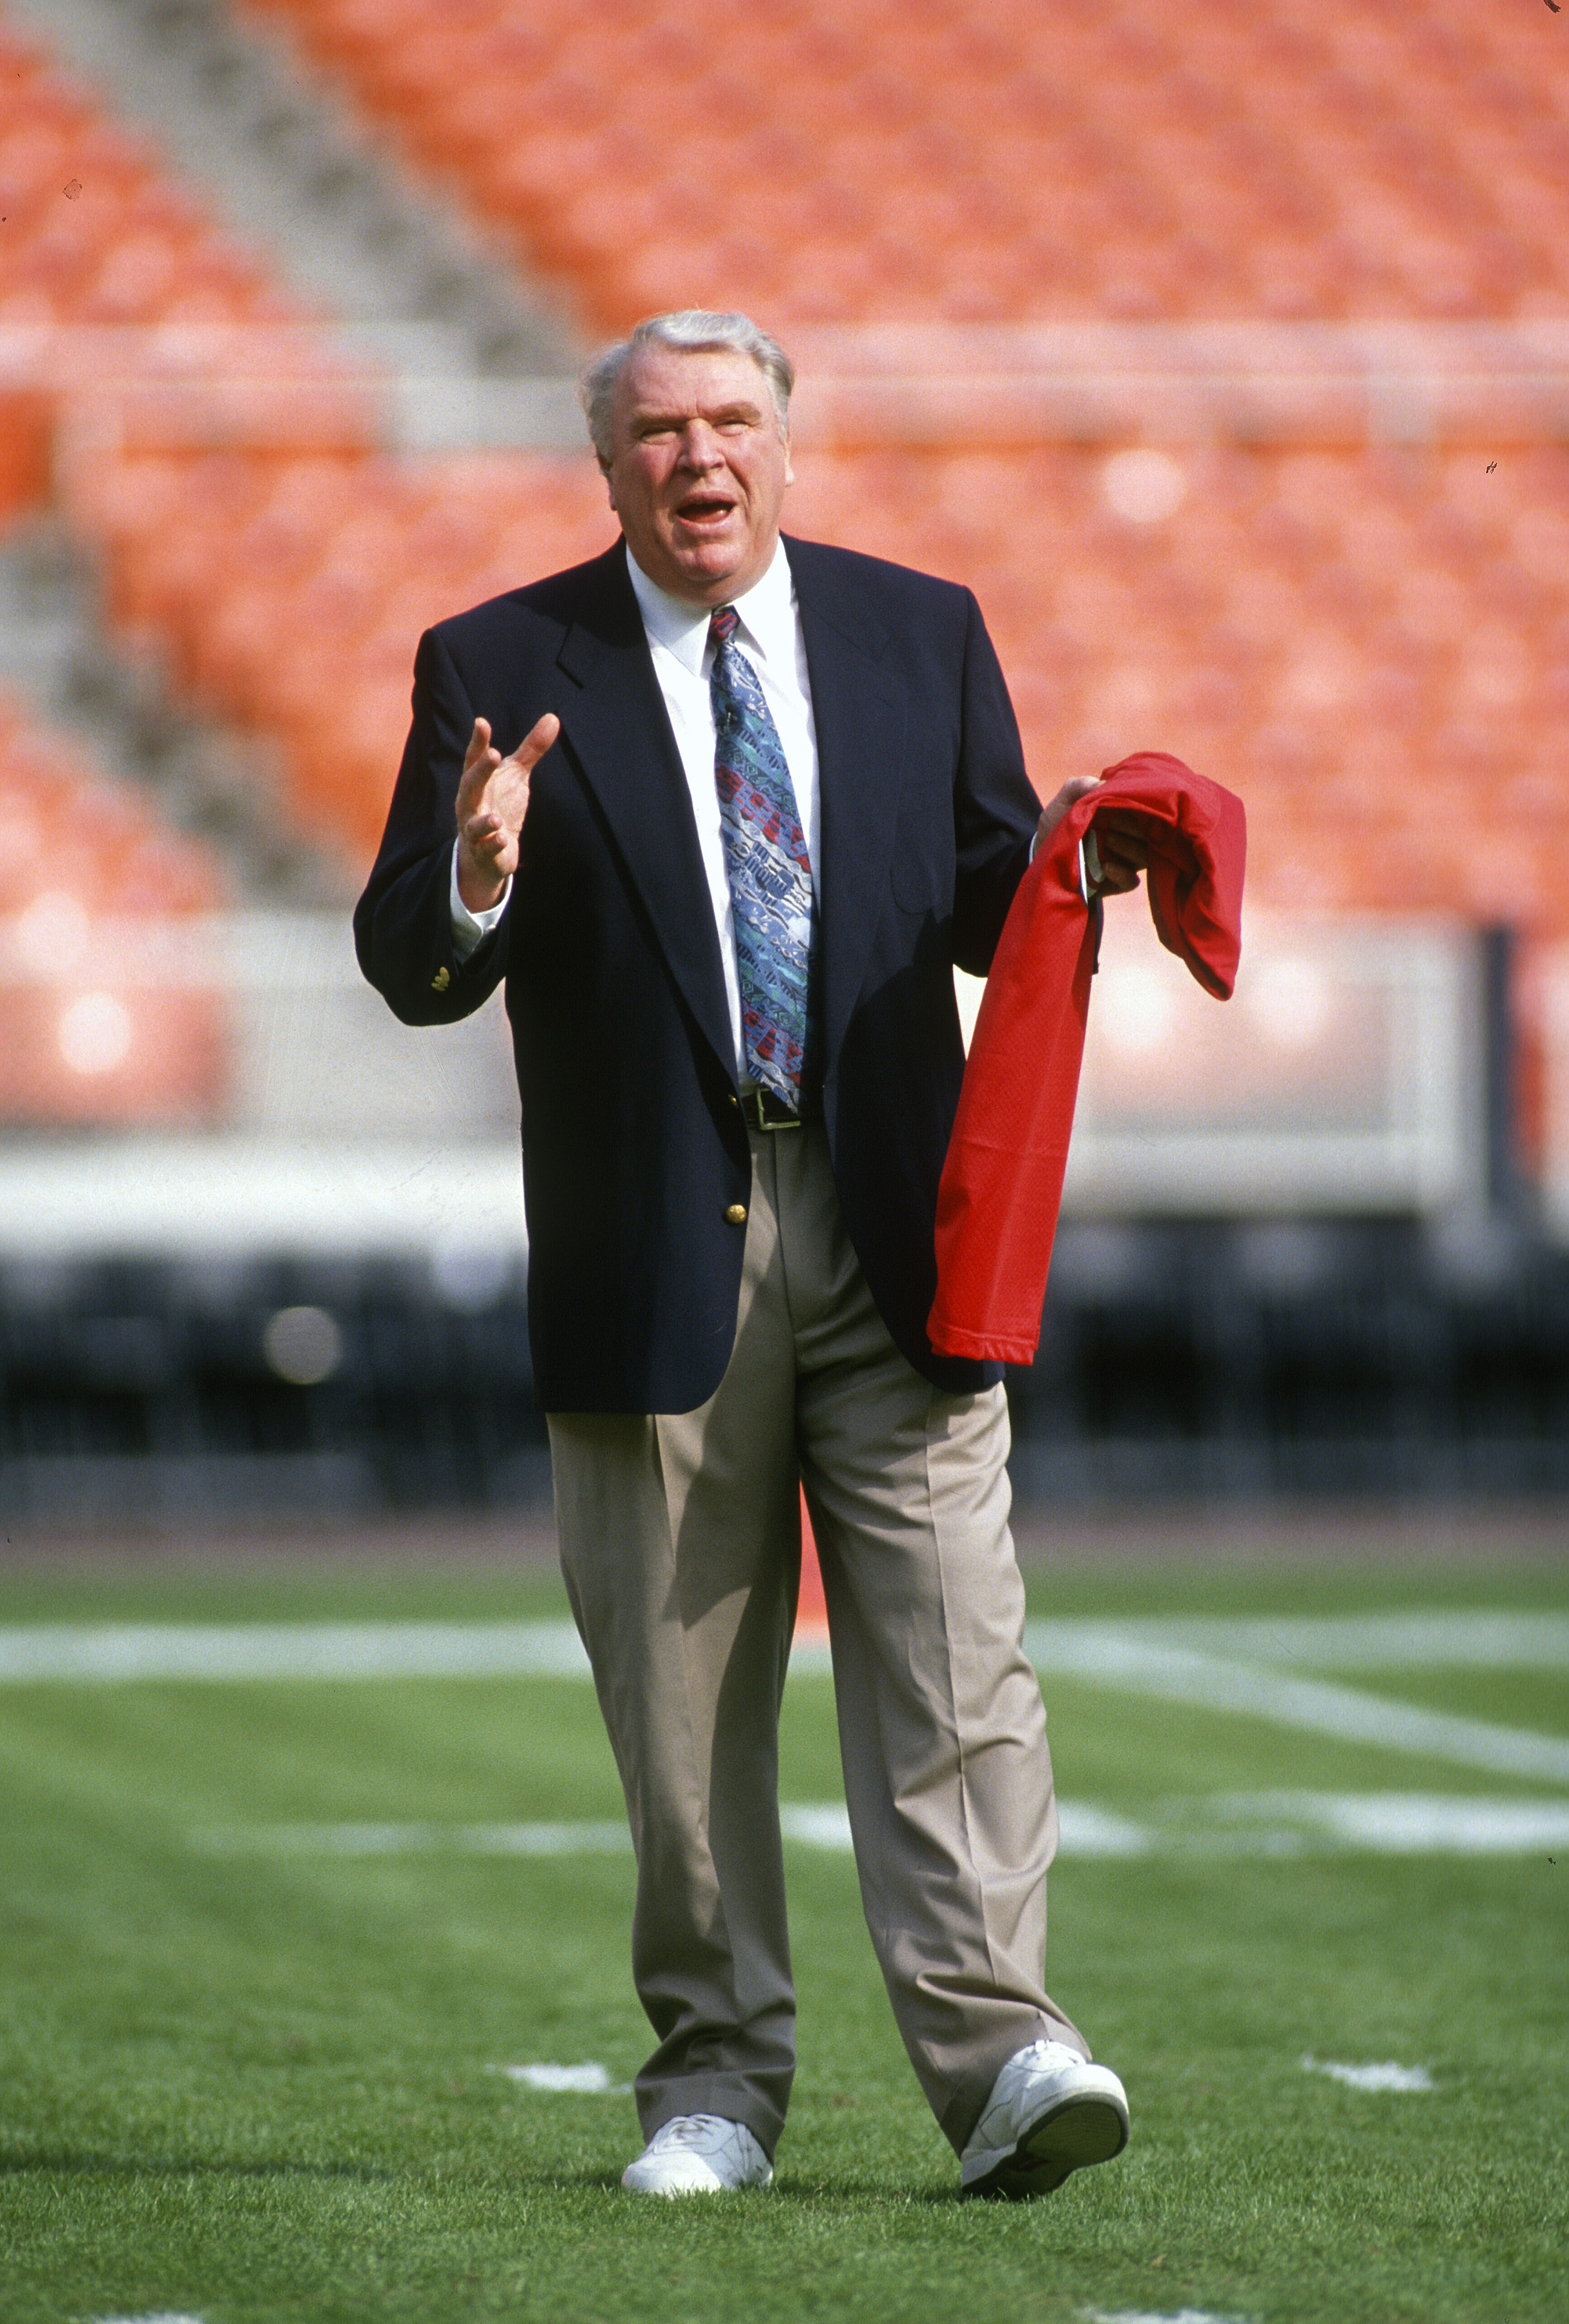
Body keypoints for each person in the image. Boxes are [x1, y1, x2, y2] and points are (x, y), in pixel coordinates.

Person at [354, 309, 1147, 2200]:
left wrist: (1076, 859)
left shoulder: (918, 630)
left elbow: (978, 895)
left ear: (787, 445)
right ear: (607, 465)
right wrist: (477, 869)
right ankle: (715, 2087)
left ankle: (1009, 2055)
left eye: (728, 423)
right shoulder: (496, 661)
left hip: (892, 1223)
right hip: (653, 1253)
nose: (695, 459)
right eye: (655, 433)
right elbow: (408, 961)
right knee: (684, 1695)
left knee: (960, 1656)